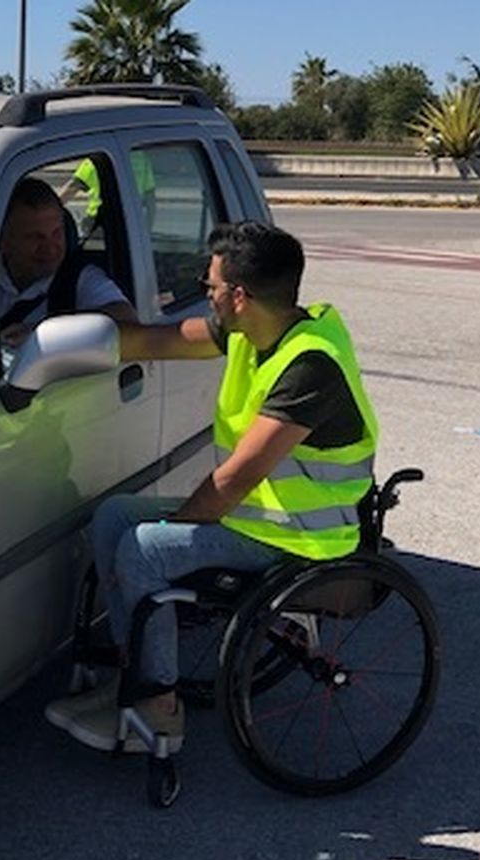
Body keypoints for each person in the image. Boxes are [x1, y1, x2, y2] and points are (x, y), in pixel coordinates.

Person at [45, 221, 380, 753]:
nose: (205, 294)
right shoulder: (255, 329)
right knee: (114, 514)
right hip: (258, 514)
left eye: (211, 287)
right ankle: (133, 674)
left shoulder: (309, 368)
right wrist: (52, 341)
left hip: (299, 536)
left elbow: (232, 480)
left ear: (239, 297)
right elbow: (154, 341)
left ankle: (159, 710)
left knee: (144, 548)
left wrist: (171, 529)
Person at [0, 176, 135, 361]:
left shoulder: (78, 278)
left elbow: (127, 320)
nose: (50, 248)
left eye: (57, 233)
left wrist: (42, 334)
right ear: (3, 240)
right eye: (35, 237)